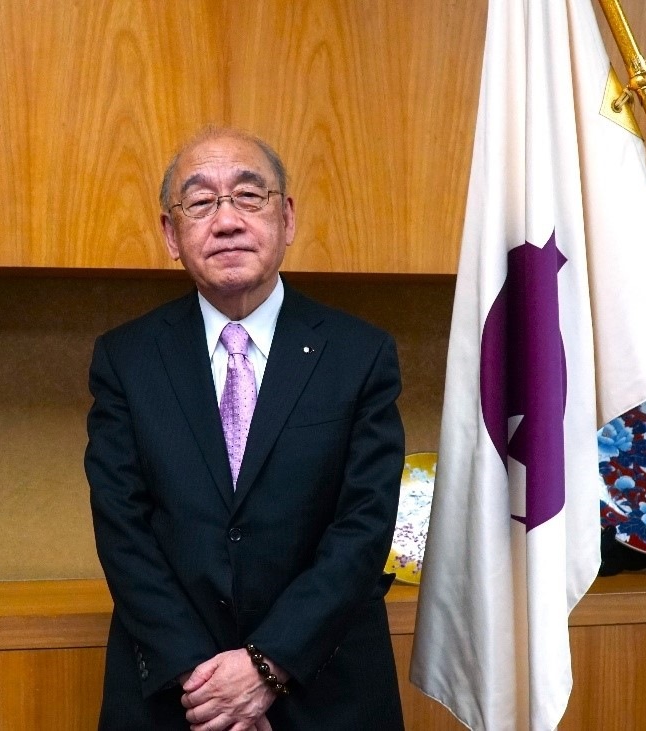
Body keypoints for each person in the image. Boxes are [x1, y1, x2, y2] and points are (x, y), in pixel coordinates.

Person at [85, 128, 406, 730]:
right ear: (171, 234)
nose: (227, 221)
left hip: (325, 688)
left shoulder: (359, 354)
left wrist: (266, 666)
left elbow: (363, 528)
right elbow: (123, 528)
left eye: (249, 197)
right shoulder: (127, 359)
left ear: (287, 218)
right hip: (178, 695)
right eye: (201, 202)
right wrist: (209, 685)